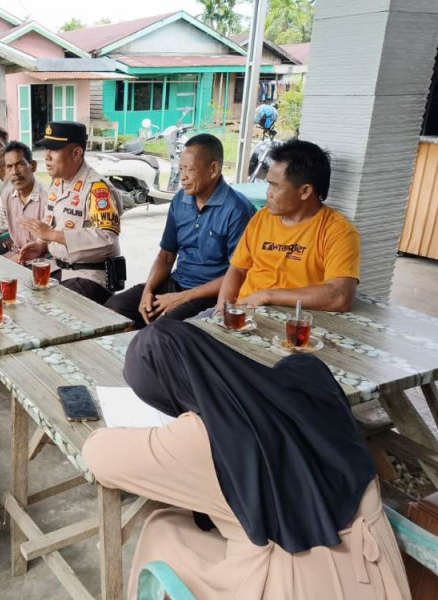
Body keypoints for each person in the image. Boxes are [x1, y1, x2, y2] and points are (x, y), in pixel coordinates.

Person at [83, 319, 409, 599]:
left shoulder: (200, 438)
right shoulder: (310, 374)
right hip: (380, 571)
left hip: (294, 585)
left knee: (164, 526)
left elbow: (97, 455)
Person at [105, 134, 255, 326]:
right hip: (175, 283)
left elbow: (239, 274)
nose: (182, 177)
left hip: (209, 294)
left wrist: (183, 297)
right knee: (113, 310)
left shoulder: (237, 210)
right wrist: (148, 290)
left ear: (213, 169)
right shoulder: (180, 200)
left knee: (160, 329)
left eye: (190, 170)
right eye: (180, 168)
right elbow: (166, 255)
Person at [217, 139, 360, 312]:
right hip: (240, 312)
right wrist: (221, 308)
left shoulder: (338, 231)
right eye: (268, 184)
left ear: (305, 191)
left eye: (275, 186)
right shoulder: (262, 217)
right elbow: (238, 269)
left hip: (287, 321)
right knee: (179, 332)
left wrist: (267, 295)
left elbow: (340, 295)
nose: (268, 193)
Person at [18, 121, 121, 305]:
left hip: (89, 276)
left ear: (76, 153)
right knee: (18, 293)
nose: (47, 156)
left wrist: (52, 235)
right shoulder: (58, 182)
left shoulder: (97, 188)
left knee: (51, 305)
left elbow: (107, 238)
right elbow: (53, 222)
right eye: (46, 149)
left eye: (54, 150)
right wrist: (41, 245)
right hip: (58, 269)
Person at [0, 141, 47, 260]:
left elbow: (41, 247)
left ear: (33, 165)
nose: (14, 172)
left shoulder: (47, 197)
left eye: (20, 164)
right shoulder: (7, 195)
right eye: (9, 167)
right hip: (14, 256)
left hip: (42, 262)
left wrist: (9, 262)